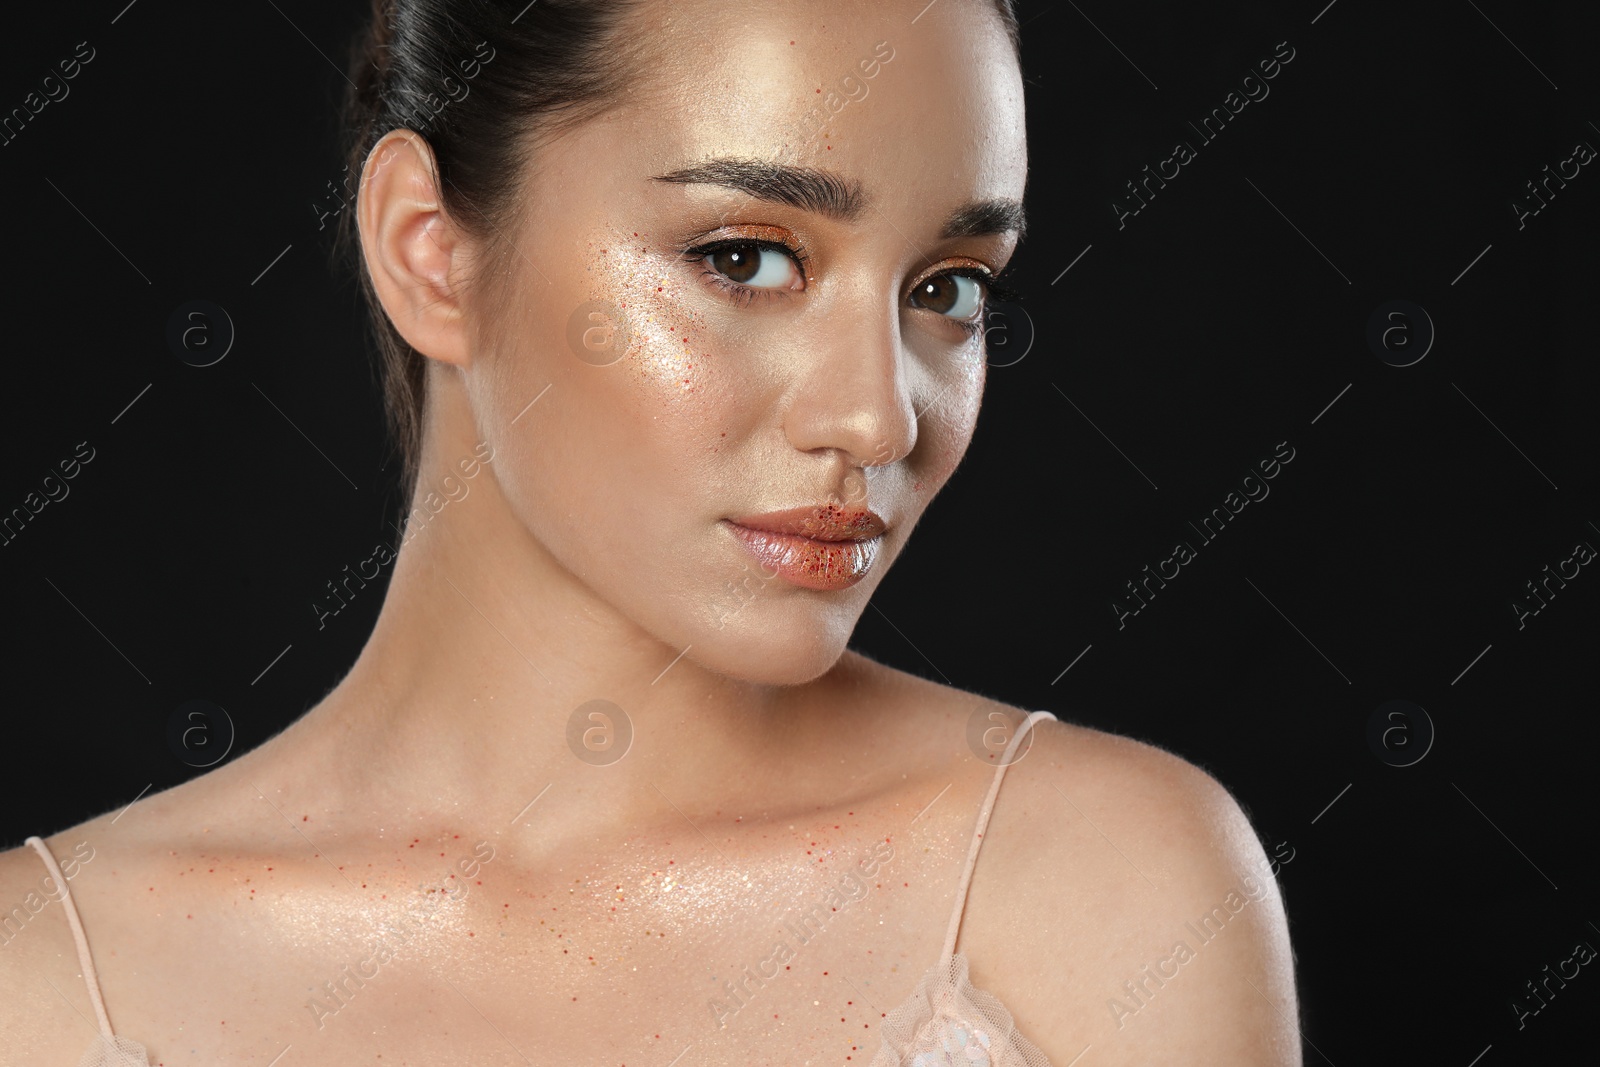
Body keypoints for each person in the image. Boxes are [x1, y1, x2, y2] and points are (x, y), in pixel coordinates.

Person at [0, 0, 1300, 1063]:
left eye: (946, 288)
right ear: (429, 252)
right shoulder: (42, 988)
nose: (876, 415)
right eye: (745, 257)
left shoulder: (1108, 895)